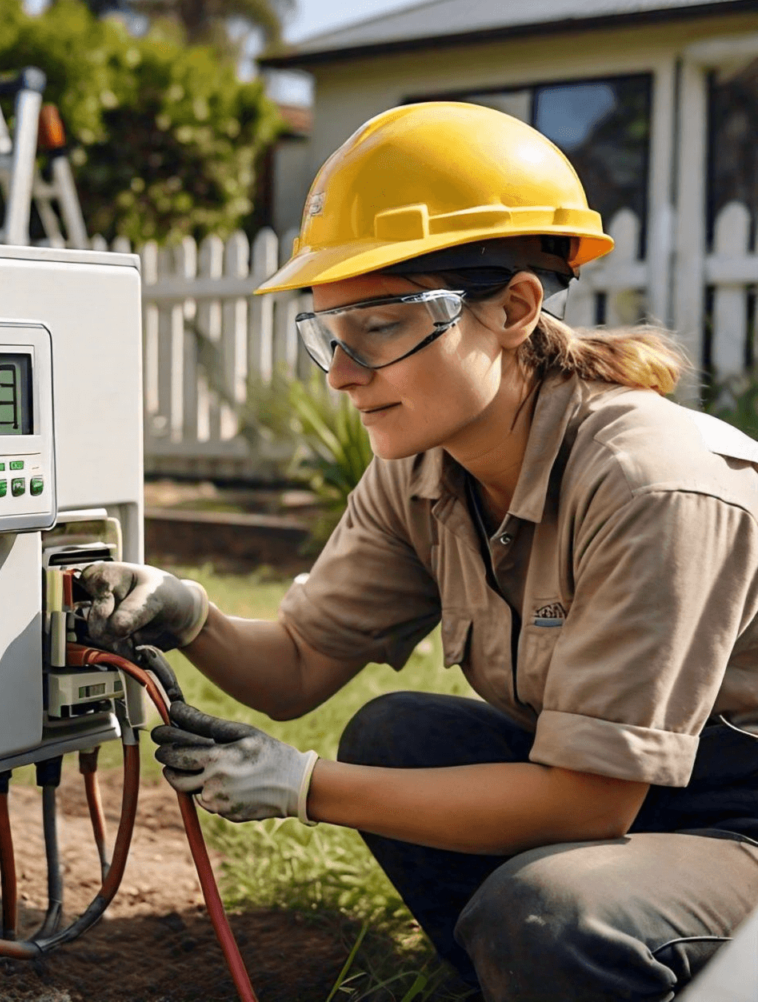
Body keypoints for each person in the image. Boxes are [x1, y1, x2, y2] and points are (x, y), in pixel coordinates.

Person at [80, 102, 758, 1001]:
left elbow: (586, 803)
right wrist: (189, 612)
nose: (342, 374)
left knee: (552, 914)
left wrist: (304, 786)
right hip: (638, 794)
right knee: (398, 737)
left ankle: (560, 955)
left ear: (515, 308)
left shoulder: (650, 482)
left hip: (739, 820)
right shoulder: (424, 467)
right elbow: (297, 668)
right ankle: (505, 974)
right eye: (329, 334)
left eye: (382, 328)